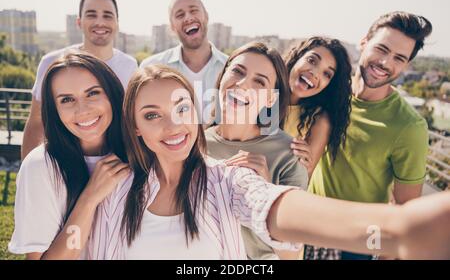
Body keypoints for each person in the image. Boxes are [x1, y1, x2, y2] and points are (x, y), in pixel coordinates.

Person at [89, 65, 450, 260]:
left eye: (182, 108)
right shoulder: (116, 187)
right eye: (152, 116)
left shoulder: (226, 181)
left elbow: (273, 205)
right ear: (135, 128)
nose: (173, 125)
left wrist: (400, 227)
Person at [305, 11, 433, 260]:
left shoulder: (409, 127)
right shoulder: (329, 91)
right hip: (303, 224)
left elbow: (405, 214)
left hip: (353, 246)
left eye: (399, 58)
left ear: (406, 65)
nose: (386, 63)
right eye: (382, 49)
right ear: (364, 42)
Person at [8, 53, 130, 259]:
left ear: (112, 94)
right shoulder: (40, 166)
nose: (82, 110)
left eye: (92, 93)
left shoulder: (141, 155)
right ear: (55, 111)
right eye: (66, 99)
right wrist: (89, 198)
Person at [205, 42, 308, 259]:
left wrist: (267, 191)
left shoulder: (288, 155)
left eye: (259, 82)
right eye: (237, 71)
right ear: (223, 76)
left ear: (271, 98)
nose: (242, 85)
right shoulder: (194, 143)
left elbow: (293, 256)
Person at [22, 0, 138, 159]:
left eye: (107, 15)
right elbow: (37, 121)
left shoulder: (130, 65)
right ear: (79, 22)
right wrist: (26, 174)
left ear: (117, 23)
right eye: (91, 14)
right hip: (64, 160)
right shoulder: (52, 62)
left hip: (114, 162)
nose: (100, 22)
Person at [139, 0, 228, 121]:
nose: (188, 18)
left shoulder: (231, 69)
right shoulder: (150, 68)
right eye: (180, 15)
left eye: (194, 10)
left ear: (206, 16)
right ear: (172, 27)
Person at [283, 37, 352, 178]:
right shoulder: (266, 91)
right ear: (297, 57)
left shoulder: (319, 120)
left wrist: (301, 165)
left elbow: (302, 180)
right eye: (312, 60)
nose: (315, 73)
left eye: (327, 74)